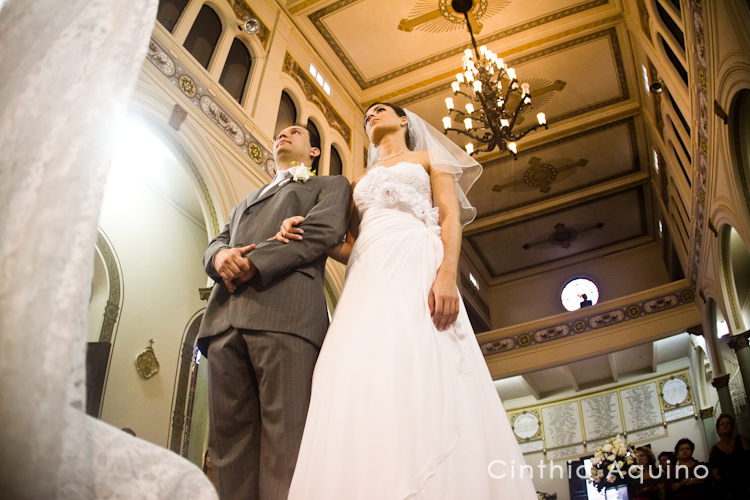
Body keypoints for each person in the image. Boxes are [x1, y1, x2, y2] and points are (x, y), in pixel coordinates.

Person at [274, 103, 537, 498]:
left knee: (420, 354)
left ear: (404, 120)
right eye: (366, 115)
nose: (371, 116)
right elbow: (343, 242)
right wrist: (303, 227)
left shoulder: (431, 160)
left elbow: (449, 217)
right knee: (351, 366)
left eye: (380, 110)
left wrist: (447, 275)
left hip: (417, 260)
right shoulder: (357, 180)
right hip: (368, 272)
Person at [196, 123, 350, 500]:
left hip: (286, 317)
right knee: (228, 448)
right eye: (279, 132)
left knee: (287, 445)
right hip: (224, 321)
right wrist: (219, 256)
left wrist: (254, 261)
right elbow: (218, 239)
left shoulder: (330, 186)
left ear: (314, 152)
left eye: (295, 131)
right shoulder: (245, 200)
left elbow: (324, 231)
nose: (283, 134)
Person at [709, 413, 750, 499]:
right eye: (722, 424)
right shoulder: (714, 450)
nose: (726, 425)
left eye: (728, 423)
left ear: (732, 426)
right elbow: (715, 473)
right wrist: (727, 484)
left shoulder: (741, 440)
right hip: (726, 488)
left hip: (745, 482)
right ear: (718, 429)